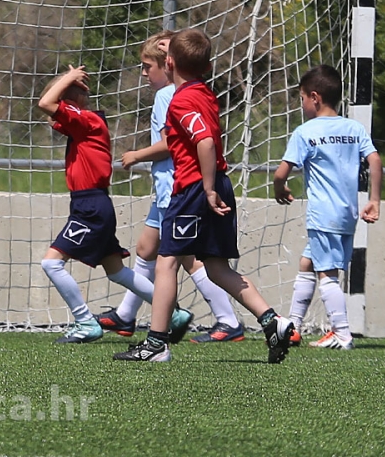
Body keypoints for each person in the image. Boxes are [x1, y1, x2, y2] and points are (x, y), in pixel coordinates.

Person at [114, 28, 295, 363]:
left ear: (168, 63)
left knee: (166, 262)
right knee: (215, 267)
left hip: (196, 188)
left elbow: (205, 142)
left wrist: (208, 189)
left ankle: (156, 344)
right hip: (215, 182)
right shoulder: (205, 92)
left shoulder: (180, 100)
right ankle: (273, 322)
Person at [98, 31, 244, 343]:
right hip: (167, 186)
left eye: (148, 66)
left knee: (186, 258)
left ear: (168, 64)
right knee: (147, 249)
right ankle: (126, 315)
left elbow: (175, 142)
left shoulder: (171, 96)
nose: (143, 73)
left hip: (176, 187)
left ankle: (225, 319)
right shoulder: (184, 92)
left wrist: (137, 154)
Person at [37, 65, 190, 345]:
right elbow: (49, 112)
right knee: (117, 271)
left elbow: (45, 103)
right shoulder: (83, 121)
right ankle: (174, 314)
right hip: (93, 204)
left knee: (51, 264)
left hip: (90, 207)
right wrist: (65, 81)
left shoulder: (86, 121)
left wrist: (69, 79)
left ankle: (85, 322)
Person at [274, 64, 382, 350]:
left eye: (301, 99)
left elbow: (280, 173)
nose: (302, 105)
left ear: (314, 97)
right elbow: (375, 161)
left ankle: (343, 333)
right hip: (347, 214)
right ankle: (293, 326)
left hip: (322, 215)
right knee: (308, 262)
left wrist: (279, 188)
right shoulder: (353, 128)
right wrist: (374, 200)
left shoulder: (306, 132)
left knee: (328, 274)